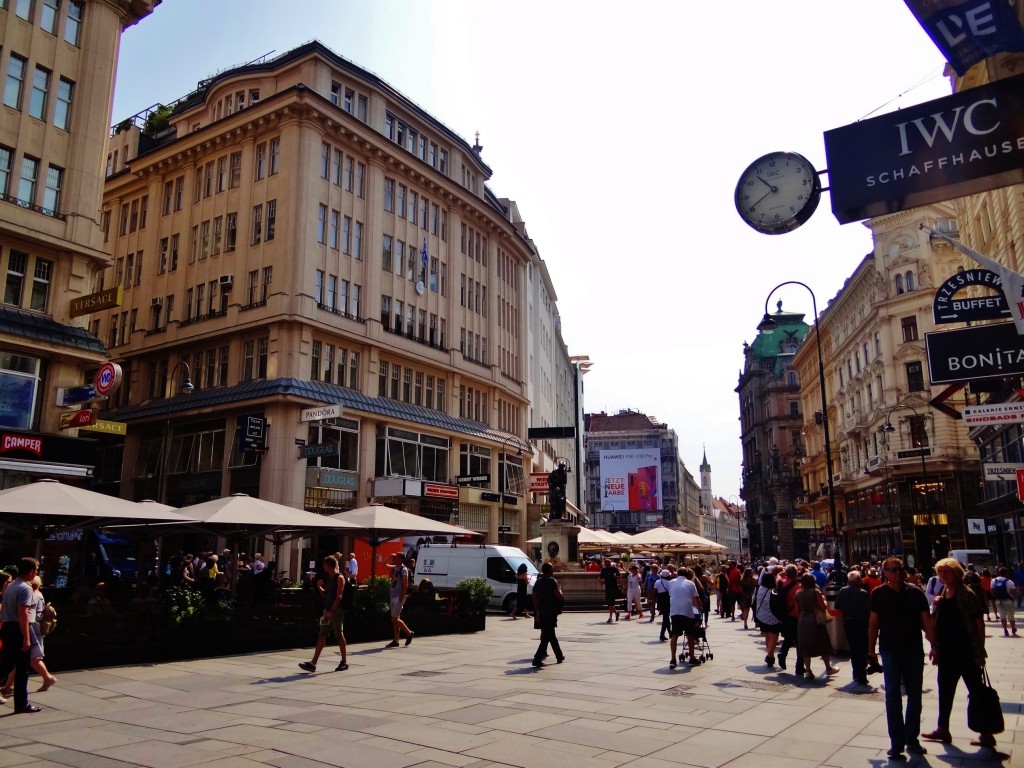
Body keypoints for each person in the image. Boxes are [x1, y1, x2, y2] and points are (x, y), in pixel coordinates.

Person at [920, 557, 997, 751]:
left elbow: (979, 624)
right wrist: (935, 646)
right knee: (945, 691)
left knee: (976, 691)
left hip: (966, 652)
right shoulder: (943, 592)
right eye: (940, 572)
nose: (943, 575)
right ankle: (943, 729)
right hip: (947, 653)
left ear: (956, 573)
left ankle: (986, 734)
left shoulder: (966, 594)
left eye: (946, 572)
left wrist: (979, 652)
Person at [868, 556, 935, 761]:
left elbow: (927, 621)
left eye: (900, 569)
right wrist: (871, 650)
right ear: (885, 573)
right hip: (889, 650)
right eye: (893, 569)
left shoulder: (915, 593)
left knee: (915, 695)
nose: (898, 573)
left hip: (913, 649)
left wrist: (935, 645)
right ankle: (896, 742)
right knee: (892, 696)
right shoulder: (878, 593)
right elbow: (873, 623)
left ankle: (912, 739)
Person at [0, 557, 41, 713]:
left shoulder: (11, 585)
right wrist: (26, 638)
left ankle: (21, 703)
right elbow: (23, 613)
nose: (36, 573)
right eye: (36, 570)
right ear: (31, 571)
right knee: (22, 668)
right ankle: (21, 704)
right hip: (18, 628)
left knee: (7, 664)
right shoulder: (26, 588)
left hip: (7, 626)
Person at [298, 555, 349, 673]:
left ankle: (344, 661)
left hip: (336, 611)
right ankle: (313, 663)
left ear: (329, 565)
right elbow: (326, 595)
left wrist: (332, 611)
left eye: (324, 564)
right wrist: (319, 587)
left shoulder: (339, 577)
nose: (323, 566)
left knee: (338, 634)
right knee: (322, 634)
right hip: (327, 611)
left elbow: (339, 596)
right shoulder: (330, 578)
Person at [795, 572, 838, 679]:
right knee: (823, 643)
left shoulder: (798, 593)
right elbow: (823, 607)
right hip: (815, 619)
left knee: (805, 646)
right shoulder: (816, 592)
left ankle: (808, 671)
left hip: (802, 620)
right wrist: (824, 600)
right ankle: (828, 668)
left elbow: (797, 610)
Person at [835, 570, 871, 688]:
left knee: (854, 648)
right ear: (858, 580)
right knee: (862, 648)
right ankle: (861, 673)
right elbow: (868, 609)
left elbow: (837, 607)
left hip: (848, 622)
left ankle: (857, 672)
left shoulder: (842, 591)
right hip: (862, 623)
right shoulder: (863, 593)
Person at [666, 567, 703, 668]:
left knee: (674, 635)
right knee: (690, 634)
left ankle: (673, 659)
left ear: (677, 574)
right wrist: (700, 608)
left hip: (674, 611)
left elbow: (672, 594)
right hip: (687, 611)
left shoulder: (671, 582)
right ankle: (692, 658)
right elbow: (696, 598)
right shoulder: (690, 583)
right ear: (687, 575)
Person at [775, 564, 805, 675]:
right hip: (796, 615)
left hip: (784, 615)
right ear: (796, 573)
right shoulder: (799, 586)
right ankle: (799, 666)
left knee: (788, 638)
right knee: (799, 641)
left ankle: (782, 654)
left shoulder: (780, 582)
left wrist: (785, 571)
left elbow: (778, 574)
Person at [753, 567, 782, 668]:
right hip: (773, 617)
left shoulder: (760, 588)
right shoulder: (773, 591)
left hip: (761, 616)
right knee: (774, 637)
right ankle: (769, 655)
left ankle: (771, 656)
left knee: (767, 636)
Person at [385, 552, 414, 648]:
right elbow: (384, 564)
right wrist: (390, 556)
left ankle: (409, 633)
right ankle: (396, 640)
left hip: (398, 596)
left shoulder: (403, 569)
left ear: (401, 559)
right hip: (393, 595)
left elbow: (405, 585)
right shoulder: (396, 567)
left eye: (396, 557)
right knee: (395, 620)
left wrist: (402, 595)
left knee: (394, 619)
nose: (395, 558)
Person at [990, 566, 1017, 637]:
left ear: (999, 573)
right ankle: (1013, 628)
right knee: (1011, 616)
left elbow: (992, 591)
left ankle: (1005, 630)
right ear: (1006, 573)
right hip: (1008, 601)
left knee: (1002, 616)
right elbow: (1014, 592)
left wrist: (996, 597)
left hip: (999, 601)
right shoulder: (1010, 582)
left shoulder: (994, 581)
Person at [599, 558, 620, 623]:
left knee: (611, 602)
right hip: (607, 587)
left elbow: (620, 576)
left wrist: (615, 576)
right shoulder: (603, 569)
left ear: (610, 563)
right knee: (609, 602)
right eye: (605, 562)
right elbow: (600, 576)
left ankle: (610, 617)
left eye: (606, 562)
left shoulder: (614, 569)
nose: (605, 563)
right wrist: (600, 581)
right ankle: (616, 613)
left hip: (613, 587)